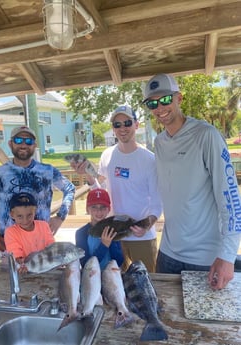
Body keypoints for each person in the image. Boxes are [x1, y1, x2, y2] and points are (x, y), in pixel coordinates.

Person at [142, 73, 241, 290]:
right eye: (152, 103)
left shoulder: (206, 135)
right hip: (168, 252)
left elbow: (231, 200)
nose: (159, 107)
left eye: (165, 99)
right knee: (165, 318)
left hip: (205, 258)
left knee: (202, 324)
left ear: (179, 98)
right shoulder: (159, 143)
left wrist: (227, 255)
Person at [72, 105, 163, 272]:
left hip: (141, 237)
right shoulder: (107, 155)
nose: (122, 128)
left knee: (147, 285)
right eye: (117, 124)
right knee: (116, 288)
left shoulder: (149, 159)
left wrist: (146, 227)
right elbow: (102, 192)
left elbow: (158, 202)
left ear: (136, 125)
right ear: (113, 129)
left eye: (127, 123)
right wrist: (89, 177)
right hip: (112, 236)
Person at [0, 125, 75, 252]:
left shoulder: (48, 171)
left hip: (43, 245)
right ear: (10, 144)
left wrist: (60, 217)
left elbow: (69, 188)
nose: (23, 144)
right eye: (18, 140)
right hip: (10, 247)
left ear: (34, 145)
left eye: (29, 141)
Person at [4, 192, 55, 273]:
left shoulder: (44, 225)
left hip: (46, 268)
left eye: (29, 215)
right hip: (25, 271)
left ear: (35, 211)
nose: (25, 220)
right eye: (20, 216)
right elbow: (16, 256)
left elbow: (52, 247)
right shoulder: (10, 232)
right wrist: (22, 264)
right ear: (12, 214)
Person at [75, 188, 124, 270]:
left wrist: (110, 243)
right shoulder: (81, 233)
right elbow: (84, 263)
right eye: (94, 207)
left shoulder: (114, 230)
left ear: (109, 209)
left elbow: (118, 261)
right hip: (90, 278)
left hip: (111, 277)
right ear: (87, 209)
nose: (99, 211)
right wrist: (104, 246)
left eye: (103, 207)